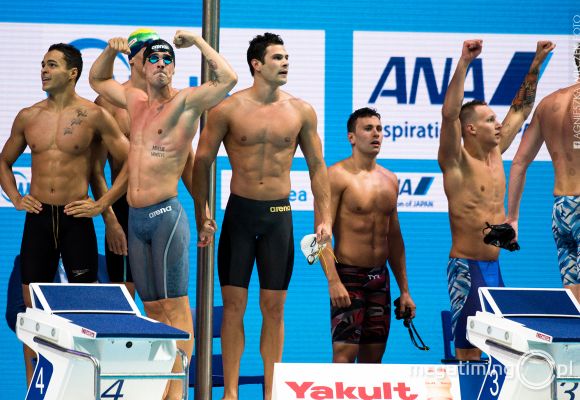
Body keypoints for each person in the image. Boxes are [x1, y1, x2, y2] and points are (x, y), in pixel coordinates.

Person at [89, 31, 237, 399]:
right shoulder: (134, 101)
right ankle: (161, 385)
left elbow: (228, 79)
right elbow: (97, 79)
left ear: (174, 68)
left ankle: (178, 389)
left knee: (176, 306)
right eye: (153, 58)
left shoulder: (186, 102)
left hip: (166, 216)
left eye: (167, 59)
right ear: (141, 66)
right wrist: (109, 51)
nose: (160, 64)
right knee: (153, 307)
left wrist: (199, 43)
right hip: (135, 220)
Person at [192, 32, 331, 400]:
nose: (285, 63)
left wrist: (325, 218)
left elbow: (318, 167)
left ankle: (271, 393)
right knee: (233, 307)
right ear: (256, 64)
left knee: (274, 308)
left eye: (286, 58)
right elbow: (201, 161)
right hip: (240, 215)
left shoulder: (301, 111)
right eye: (277, 58)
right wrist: (202, 210)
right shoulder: (227, 109)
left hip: (278, 217)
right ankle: (231, 393)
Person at [0, 43, 129, 385]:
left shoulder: (94, 115)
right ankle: (37, 387)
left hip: (76, 219)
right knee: (31, 312)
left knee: (83, 310)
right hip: (39, 219)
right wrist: (16, 197)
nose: (44, 70)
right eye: (43, 64)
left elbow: (131, 159)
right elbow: (4, 161)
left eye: (52, 65)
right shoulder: (28, 116)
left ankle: (82, 386)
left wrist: (103, 205)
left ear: (72, 73)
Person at [438, 39, 554, 361]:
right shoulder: (456, 162)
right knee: (468, 353)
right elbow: (449, 115)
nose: (499, 123)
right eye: (490, 120)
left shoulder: (495, 155)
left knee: (499, 352)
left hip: (494, 267)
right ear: (471, 129)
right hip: (466, 268)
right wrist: (464, 62)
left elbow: (520, 109)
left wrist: (536, 64)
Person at [315, 107, 416, 363]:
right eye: (368, 128)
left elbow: (394, 239)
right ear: (351, 137)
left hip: (379, 278)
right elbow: (321, 235)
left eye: (379, 129)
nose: (376, 134)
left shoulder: (390, 180)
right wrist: (333, 281)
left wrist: (405, 290)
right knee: (344, 355)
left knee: (373, 359)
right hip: (348, 276)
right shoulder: (335, 176)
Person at [506, 44, 579, 301]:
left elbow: (519, 163)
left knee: (573, 299)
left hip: (561, 210)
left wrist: (512, 218)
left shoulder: (548, 104)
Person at [92, 28, 160, 297]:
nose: (155, 58)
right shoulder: (108, 102)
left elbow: (188, 161)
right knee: (123, 293)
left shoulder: (169, 100)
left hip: (161, 205)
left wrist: (202, 210)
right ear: (131, 59)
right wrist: (110, 220)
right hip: (123, 206)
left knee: (162, 295)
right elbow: (95, 171)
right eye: (148, 52)